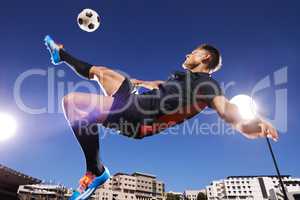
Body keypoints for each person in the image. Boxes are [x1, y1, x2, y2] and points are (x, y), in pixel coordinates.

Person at [44, 35, 278, 200]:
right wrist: (140, 83)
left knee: (72, 102)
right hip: (136, 102)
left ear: (205, 57)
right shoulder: (181, 80)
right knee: (102, 72)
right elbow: (160, 86)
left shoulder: (208, 85)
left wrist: (254, 123)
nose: (188, 54)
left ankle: (95, 171)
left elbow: (227, 110)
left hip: (141, 117)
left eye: (194, 52)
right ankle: (60, 55)